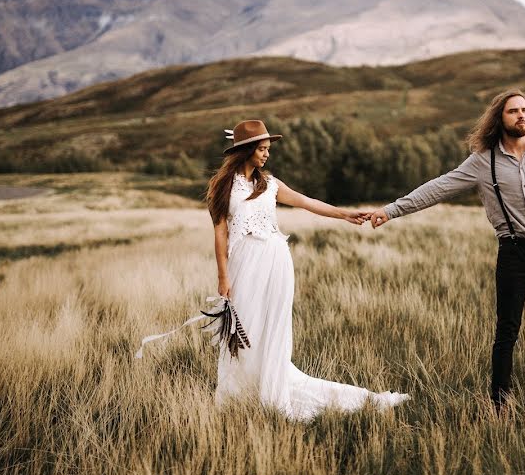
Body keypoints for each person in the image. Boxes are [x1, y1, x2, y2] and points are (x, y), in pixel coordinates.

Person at [137, 120, 410, 422]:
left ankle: (272, 389)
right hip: (244, 264)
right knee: (244, 330)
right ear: (246, 150)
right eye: (262, 149)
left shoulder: (270, 184)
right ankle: (240, 392)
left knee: (273, 328)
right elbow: (220, 234)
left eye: (268, 149)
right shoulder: (223, 187)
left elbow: (306, 202)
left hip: (277, 261)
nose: (267, 154)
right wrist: (223, 277)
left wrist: (344, 215)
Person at [368, 90, 525, 411]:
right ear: (500, 118)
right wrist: (392, 210)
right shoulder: (483, 161)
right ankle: (500, 403)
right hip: (513, 253)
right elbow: (438, 187)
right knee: (507, 330)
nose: (521, 115)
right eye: (513, 111)